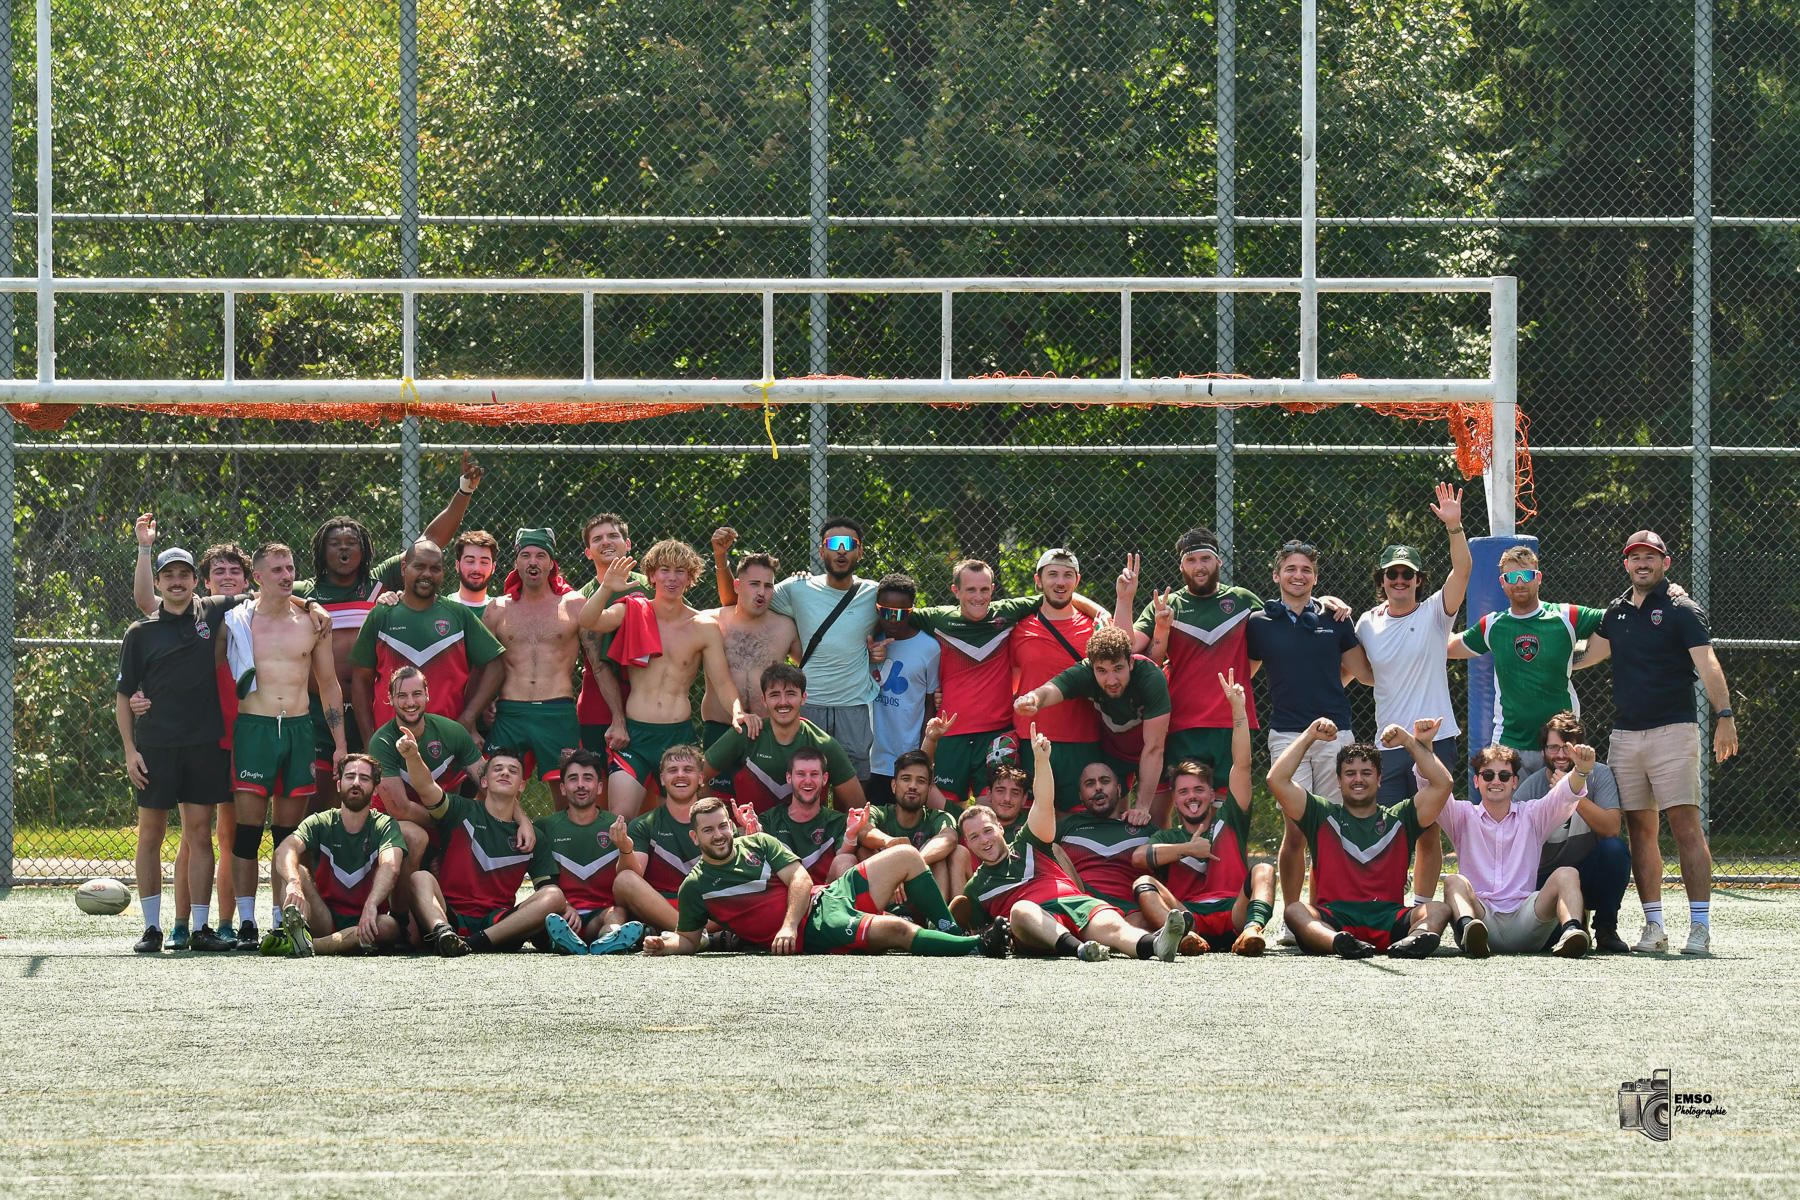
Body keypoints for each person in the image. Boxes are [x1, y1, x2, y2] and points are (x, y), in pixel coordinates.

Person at [1575, 530, 1739, 956]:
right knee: (1639, 831)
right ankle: (1654, 927)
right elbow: (1587, 655)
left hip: (1674, 731)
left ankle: (1699, 928)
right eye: (1635, 557)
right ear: (1625, 564)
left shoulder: (1683, 608)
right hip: (1625, 736)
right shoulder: (1616, 612)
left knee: (1686, 826)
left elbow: (1708, 664)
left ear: (1665, 562)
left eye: (1651, 556)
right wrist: (1537, 649)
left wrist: (1725, 716)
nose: (1642, 563)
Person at [294, 453, 484, 808]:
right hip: (323, 713)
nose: (345, 548)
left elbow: (430, 541)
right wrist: (306, 604)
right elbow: (269, 595)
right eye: (335, 543)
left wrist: (463, 491)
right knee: (322, 801)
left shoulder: (379, 584)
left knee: (374, 796)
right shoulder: (308, 591)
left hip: (373, 710)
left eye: (352, 542)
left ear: (365, 549)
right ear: (321, 549)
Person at [116, 545, 259, 953]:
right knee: (151, 836)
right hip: (156, 747)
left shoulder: (210, 611)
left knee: (200, 834)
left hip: (203, 746)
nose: (177, 582)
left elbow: (270, 590)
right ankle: (150, 929)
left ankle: (200, 928)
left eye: (184, 575)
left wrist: (313, 604)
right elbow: (124, 697)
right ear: (159, 582)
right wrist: (130, 751)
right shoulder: (139, 632)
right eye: (169, 576)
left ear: (197, 582)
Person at [641, 798, 1003, 958]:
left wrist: (786, 923)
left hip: (824, 897)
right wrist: (664, 945)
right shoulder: (696, 885)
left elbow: (799, 878)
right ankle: (976, 946)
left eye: (723, 826)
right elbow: (688, 940)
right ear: (695, 838)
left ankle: (951, 932)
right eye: (709, 831)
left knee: (906, 855)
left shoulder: (759, 843)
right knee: (895, 930)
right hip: (814, 929)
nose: (719, 835)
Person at [956, 726, 1187, 962]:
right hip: (1036, 927)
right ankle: (1081, 949)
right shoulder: (975, 888)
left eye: (987, 831)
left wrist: (1042, 762)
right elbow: (979, 934)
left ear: (1000, 829)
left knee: (1115, 928)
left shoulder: (1027, 843)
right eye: (974, 837)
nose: (984, 840)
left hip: (1075, 904)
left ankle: (1155, 944)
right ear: (968, 843)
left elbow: (1044, 803)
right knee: (1021, 910)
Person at [1344, 484, 1469, 907]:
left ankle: (1419, 909)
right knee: (1386, 828)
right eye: (1391, 574)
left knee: (1427, 827)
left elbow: (1463, 571)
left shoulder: (1436, 611)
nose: (1399, 580)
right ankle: (1386, 905)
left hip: (1435, 740)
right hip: (1387, 743)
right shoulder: (1366, 622)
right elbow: (1355, 674)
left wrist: (1454, 527)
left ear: (1419, 580)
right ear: (1381, 581)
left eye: (1407, 574)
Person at [227, 542, 348, 951]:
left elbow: (328, 684)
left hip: (298, 729)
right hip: (254, 729)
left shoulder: (312, 622)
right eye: (276, 569)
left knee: (287, 834)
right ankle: (246, 921)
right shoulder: (239, 619)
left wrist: (340, 743)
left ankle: (281, 918)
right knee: (247, 832)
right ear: (257, 577)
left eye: (290, 568)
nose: (285, 575)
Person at [908, 559, 1102, 808]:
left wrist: (1100, 613)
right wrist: (874, 647)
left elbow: (1059, 595)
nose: (978, 597)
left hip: (996, 734)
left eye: (985, 589)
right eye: (970, 590)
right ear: (956, 591)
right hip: (951, 731)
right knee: (946, 814)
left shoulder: (1008, 612)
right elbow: (897, 616)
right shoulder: (937, 618)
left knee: (992, 813)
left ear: (992, 589)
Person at [1247, 540, 1365, 940]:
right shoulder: (1259, 623)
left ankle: (1322, 917)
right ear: (1277, 574)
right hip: (1286, 734)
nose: (1298, 576)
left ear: (1315, 577)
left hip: (1337, 734)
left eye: (1306, 570)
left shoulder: (1336, 617)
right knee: (1296, 829)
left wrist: (1329, 691)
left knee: (1329, 830)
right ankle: (1292, 919)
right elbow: (1243, 676)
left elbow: (1361, 672)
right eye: (1291, 569)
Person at [580, 541, 744, 817]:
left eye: (680, 571)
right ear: (652, 576)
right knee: (621, 818)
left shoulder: (704, 627)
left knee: (689, 820)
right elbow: (588, 620)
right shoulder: (633, 610)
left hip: (678, 735)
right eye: (664, 570)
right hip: (635, 737)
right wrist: (606, 586)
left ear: (690, 578)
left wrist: (738, 712)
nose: (672, 577)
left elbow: (723, 682)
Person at [1266, 718, 1453, 959]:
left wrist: (1408, 740)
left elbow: (1443, 783)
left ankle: (1413, 942)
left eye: (1366, 773)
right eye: (1350, 773)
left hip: (1389, 918)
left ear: (1379, 780)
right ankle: (1339, 943)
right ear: (1339, 781)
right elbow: (1276, 779)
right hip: (1335, 921)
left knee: (1438, 909)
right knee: (1295, 910)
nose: (1358, 779)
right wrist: (1309, 735)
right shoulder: (1321, 814)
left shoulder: (1401, 817)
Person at [1131, 672, 1277, 956]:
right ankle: (1181, 938)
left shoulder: (1230, 819)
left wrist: (1238, 710)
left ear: (1212, 795)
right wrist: (1187, 849)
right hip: (1190, 917)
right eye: (1183, 792)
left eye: (1199, 789)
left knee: (1264, 869)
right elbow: (1138, 859)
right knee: (1143, 884)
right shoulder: (1168, 835)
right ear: (1175, 798)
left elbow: (1243, 764)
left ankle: (1253, 930)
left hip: (1234, 911)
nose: (1192, 797)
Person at [1448, 545, 1606, 777]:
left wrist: (1669, 594)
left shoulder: (1565, 616)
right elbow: (1449, 647)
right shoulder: (1492, 625)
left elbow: (1617, 618)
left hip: (1560, 743)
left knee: (1563, 812)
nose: (1520, 583)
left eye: (1527, 575)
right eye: (1512, 577)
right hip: (1509, 741)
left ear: (1538, 578)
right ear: (1503, 582)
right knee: (1504, 811)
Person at [405, 744, 567, 956]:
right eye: (497, 768)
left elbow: (548, 891)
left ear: (522, 786)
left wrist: (567, 906)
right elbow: (426, 786)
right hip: (450, 914)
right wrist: (412, 755)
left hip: (498, 923)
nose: (505, 772)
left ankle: (474, 943)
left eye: (513, 770)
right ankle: (444, 935)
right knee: (419, 878)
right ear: (484, 782)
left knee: (554, 895)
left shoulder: (533, 836)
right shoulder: (460, 810)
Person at [1438, 742, 1597, 958]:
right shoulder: (1462, 815)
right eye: (1487, 775)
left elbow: (1564, 796)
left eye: (1504, 775)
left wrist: (1582, 771)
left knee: (1567, 874)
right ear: (1476, 781)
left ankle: (1572, 932)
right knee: (1453, 881)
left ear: (1514, 782)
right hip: (1481, 918)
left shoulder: (1532, 815)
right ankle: (1468, 929)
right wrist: (1423, 745)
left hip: (1526, 918)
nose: (1496, 781)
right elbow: (1436, 789)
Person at [366, 665, 491, 921]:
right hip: (392, 822)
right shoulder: (382, 741)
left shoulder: (452, 731)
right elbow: (399, 809)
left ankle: (477, 913)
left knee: (482, 828)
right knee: (416, 837)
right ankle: (399, 918)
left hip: (437, 817)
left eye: (416, 694)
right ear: (389, 699)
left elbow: (490, 784)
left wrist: (521, 820)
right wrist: (448, 827)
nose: (410, 703)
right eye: (402, 696)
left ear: (427, 694)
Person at [471, 528, 587, 803]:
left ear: (551, 563)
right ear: (516, 563)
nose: (533, 562)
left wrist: (618, 718)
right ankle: (492, 843)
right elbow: (481, 666)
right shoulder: (497, 609)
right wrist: (476, 715)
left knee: (569, 796)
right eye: (525, 555)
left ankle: (561, 845)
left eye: (540, 555)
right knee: (489, 792)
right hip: (510, 712)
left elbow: (599, 666)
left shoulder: (575, 605)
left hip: (557, 711)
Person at [350, 538, 505, 738]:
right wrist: (368, 740)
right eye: (419, 566)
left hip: (448, 742)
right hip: (391, 741)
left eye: (435, 568)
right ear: (404, 569)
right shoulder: (381, 615)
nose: (427, 574)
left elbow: (497, 664)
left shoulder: (458, 614)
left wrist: (468, 717)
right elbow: (360, 681)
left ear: (443, 574)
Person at [1014, 624, 1171, 818]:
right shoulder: (1085, 673)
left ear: (1131, 662)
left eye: (1118, 669)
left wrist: (1141, 807)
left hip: (1152, 750)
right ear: (1092, 666)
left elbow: (1154, 747)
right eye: (1102, 671)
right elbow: (1050, 690)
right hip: (1115, 752)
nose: (1111, 680)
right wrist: (1032, 700)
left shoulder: (1150, 677)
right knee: (1115, 819)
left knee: (1153, 820)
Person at [767, 517, 882, 779]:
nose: (841, 550)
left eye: (849, 544)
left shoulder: (875, 594)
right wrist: (721, 559)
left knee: (854, 783)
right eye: (833, 543)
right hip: (808, 703)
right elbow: (745, 601)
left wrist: (880, 649)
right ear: (822, 551)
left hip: (853, 705)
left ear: (859, 552)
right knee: (804, 781)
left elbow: (903, 622)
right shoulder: (798, 588)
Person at [265, 754, 407, 957]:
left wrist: (372, 904)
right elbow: (285, 849)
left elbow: (391, 866)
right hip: (323, 918)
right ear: (339, 785)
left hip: (368, 919)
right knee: (292, 867)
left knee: (389, 926)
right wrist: (294, 882)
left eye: (364, 778)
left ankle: (306, 944)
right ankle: (297, 932)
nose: (356, 782)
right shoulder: (321, 821)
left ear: (375, 790)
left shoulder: (384, 825)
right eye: (350, 777)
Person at [1513, 712, 1629, 953]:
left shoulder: (1600, 774)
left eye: (1567, 748)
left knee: (1615, 850)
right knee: (1551, 941)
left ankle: (1606, 929)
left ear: (1580, 748)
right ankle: (1575, 922)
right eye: (1552, 748)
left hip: (1588, 870)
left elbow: (1611, 828)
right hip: (1548, 878)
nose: (1560, 755)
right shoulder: (1531, 788)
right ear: (1543, 751)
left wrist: (1571, 791)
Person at [700, 536, 802, 792]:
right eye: (754, 584)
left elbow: (816, 664)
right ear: (737, 585)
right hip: (719, 727)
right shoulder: (710, 621)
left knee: (763, 807)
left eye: (768, 586)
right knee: (714, 807)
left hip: (767, 731)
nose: (762, 592)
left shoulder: (785, 627)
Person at [529, 750, 648, 956]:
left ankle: (609, 939)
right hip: (560, 914)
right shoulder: (544, 828)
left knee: (617, 913)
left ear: (600, 787)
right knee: (550, 917)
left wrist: (624, 846)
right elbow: (541, 881)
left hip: (600, 914)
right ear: (563, 789)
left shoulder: (618, 825)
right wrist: (564, 906)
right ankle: (561, 940)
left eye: (588, 778)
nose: (581, 785)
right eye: (573, 779)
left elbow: (633, 878)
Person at [1008, 549, 1102, 807]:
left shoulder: (1096, 627)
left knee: (1079, 821)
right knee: (1030, 818)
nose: (1060, 582)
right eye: (1052, 575)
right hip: (1031, 739)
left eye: (1067, 575)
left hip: (1083, 739)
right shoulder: (1019, 628)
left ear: (1077, 581)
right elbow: (1012, 683)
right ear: (1038, 581)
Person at [703, 664, 863, 811]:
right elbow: (696, 778)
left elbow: (858, 808)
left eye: (791, 694)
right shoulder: (745, 735)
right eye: (775, 695)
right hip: (753, 837)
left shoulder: (823, 744)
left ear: (804, 698)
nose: (783, 702)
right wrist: (722, 821)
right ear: (764, 701)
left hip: (808, 838)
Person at [609, 745, 712, 935]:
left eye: (688, 770)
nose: (680, 775)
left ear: (700, 778)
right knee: (623, 880)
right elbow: (631, 879)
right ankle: (694, 934)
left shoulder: (718, 821)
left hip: (705, 907)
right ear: (662, 780)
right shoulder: (644, 824)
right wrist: (625, 850)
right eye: (673, 770)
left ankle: (684, 933)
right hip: (658, 906)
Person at [1050, 757, 1155, 924]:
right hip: (1083, 910)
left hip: (1132, 911)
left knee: (1143, 926)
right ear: (1081, 796)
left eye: (1105, 781)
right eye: (1090, 784)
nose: (1098, 787)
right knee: (1052, 849)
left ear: (1119, 790)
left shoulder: (1143, 827)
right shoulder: (1066, 827)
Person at [866, 572, 940, 806]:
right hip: (869, 757)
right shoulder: (865, 640)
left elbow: (930, 703)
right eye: (887, 612)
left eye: (901, 613)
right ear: (877, 609)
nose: (894, 619)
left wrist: (921, 755)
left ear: (912, 611)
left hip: (906, 757)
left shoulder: (929, 648)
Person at [574, 513, 644, 758]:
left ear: (628, 544)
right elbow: (598, 663)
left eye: (613, 535)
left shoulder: (654, 586)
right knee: (597, 787)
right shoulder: (580, 599)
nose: (605, 541)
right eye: (597, 539)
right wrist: (618, 718)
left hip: (651, 703)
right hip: (600, 708)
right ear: (588, 552)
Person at [856, 749, 966, 904]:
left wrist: (909, 865)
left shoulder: (938, 817)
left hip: (922, 896)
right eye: (906, 779)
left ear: (929, 790)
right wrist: (888, 842)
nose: (913, 786)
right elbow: (864, 830)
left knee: (939, 860)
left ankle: (939, 923)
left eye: (920, 781)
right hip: (886, 896)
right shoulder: (879, 813)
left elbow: (949, 838)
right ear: (894, 786)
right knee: (864, 850)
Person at [743, 748, 859, 882]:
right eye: (800, 774)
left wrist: (851, 836)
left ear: (824, 779)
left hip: (827, 898)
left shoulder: (838, 822)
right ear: (789, 778)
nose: (808, 781)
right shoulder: (768, 821)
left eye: (814, 774)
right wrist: (752, 836)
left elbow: (843, 858)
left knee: (847, 859)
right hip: (782, 897)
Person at [449, 530, 501, 617]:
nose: (477, 569)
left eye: (484, 562)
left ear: (493, 567)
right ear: (457, 566)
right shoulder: (444, 608)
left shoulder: (501, 612)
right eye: (470, 561)